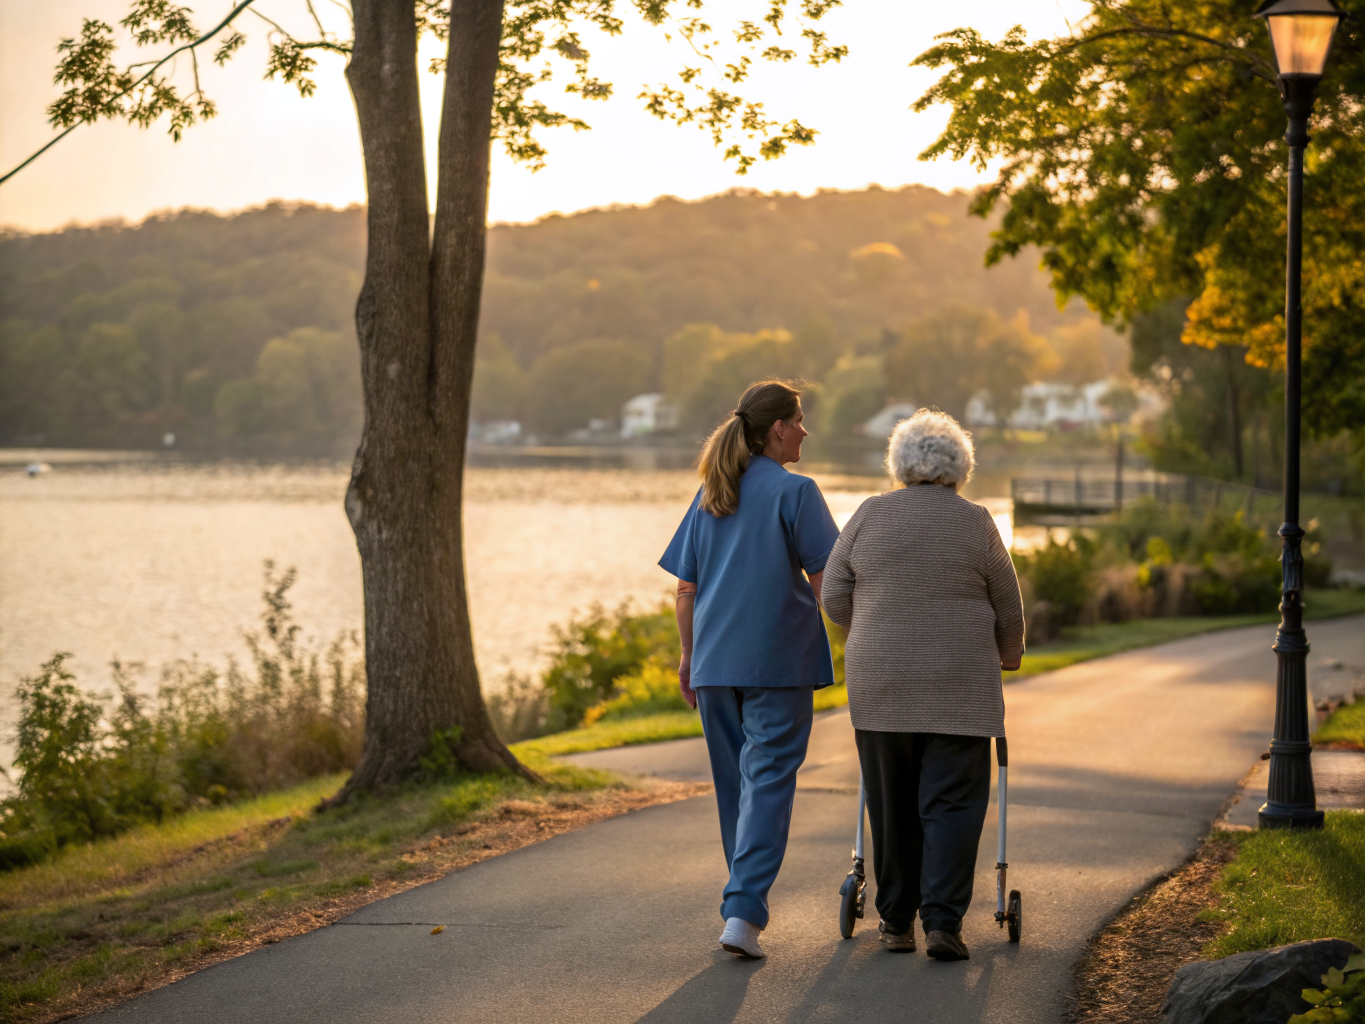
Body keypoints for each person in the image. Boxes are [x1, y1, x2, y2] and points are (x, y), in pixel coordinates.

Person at [820, 409, 1024, 962]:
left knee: (891, 805)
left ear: (899, 466)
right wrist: (1009, 656)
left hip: (882, 684)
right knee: (954, 804)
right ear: (960, 467)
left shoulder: (868, 515)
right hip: (961, 689)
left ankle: (894, 922)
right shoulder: (977, 521)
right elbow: (1008, 603)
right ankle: (943, 923)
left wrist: (870, 625)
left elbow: (833, 594)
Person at [659, 379, 840, 960]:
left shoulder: (711, 493)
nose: (806, 431)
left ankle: (741, 900)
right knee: (767, 783)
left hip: (713, 663)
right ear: (778, 429)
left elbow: (685, 589)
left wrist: (689, 656)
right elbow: (831, 585)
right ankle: (742, 913)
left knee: (736, 787)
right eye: (800, 419)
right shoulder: (798, 493)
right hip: (776, 663)